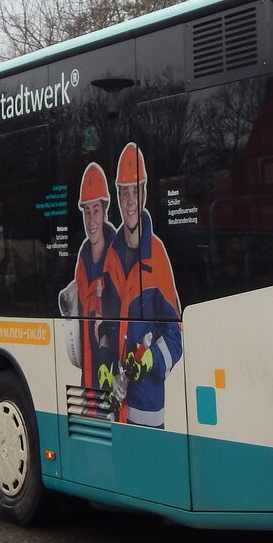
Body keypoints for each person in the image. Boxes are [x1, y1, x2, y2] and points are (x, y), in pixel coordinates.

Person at [101, 142, 182, 428]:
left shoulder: (157, 256)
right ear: (119, 199)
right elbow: (105, 325)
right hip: (116, 405)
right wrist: (105, 366)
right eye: (125, 192)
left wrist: (150, 360)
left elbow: (176, 335)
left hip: (148, 408)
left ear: (145, 194)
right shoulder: (110, 257)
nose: (131, 199)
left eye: (136, 190)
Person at [58, 163, 117, 406]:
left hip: (110, 367)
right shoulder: (82, 257)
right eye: (86, 212)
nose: (91, 220)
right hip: (88, 367)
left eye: (96, 210)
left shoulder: (118, 255)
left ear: (104, 211)